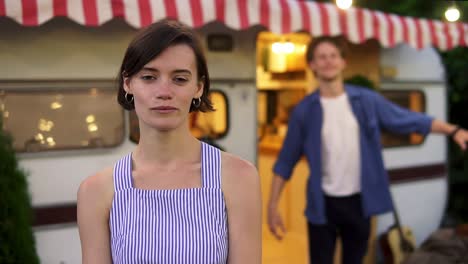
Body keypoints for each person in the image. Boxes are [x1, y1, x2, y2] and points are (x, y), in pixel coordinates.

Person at [267, 36, 468, 264]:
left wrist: (453, 130)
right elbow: (285, 161)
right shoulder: (304, 111)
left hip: (360, 203)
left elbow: (408, 119)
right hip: (322, 204)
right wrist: (272, 206)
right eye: (321, 57)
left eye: (333, 56)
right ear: (312, 65)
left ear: (343, 62)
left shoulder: (367, 101)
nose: (328, 61)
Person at [77, 20, 262, 264]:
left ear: (199, 87)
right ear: (127, 83)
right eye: (149, 77)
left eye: (180, 79)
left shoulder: (239, 178)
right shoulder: (96, 192)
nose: (164, 91)